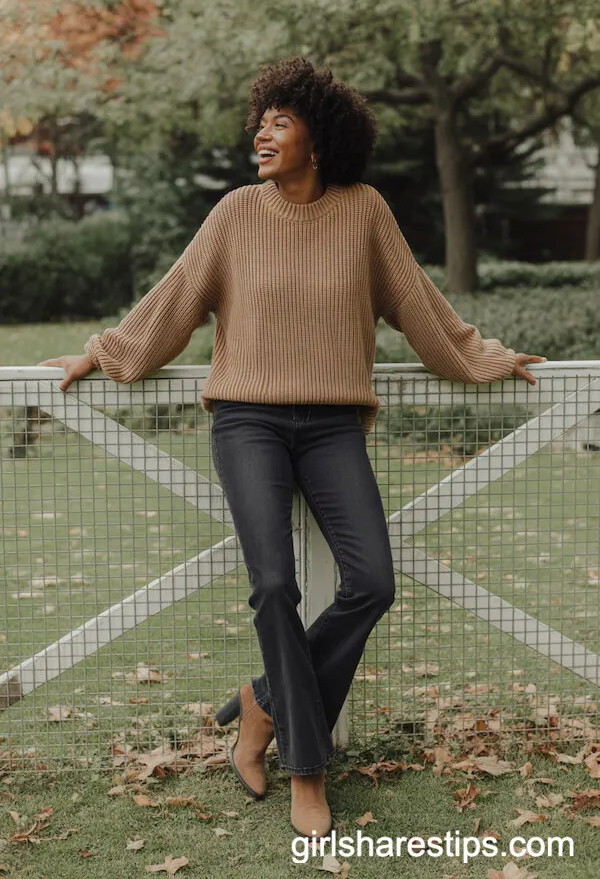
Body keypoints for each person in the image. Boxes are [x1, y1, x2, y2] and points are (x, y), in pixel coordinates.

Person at [38, 55, 545, 840]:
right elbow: (174, 300)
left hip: (334, 425)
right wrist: (100, 354)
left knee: (372, 580)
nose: (262, 133)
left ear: (321, 135)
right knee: (274, 585)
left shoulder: (365, 211)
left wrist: (484, 357)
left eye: (281, 121)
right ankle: (305, 770)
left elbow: (419, 306)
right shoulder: (237, 214)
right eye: (260, 121)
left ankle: (262, 704)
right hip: (248, 422)